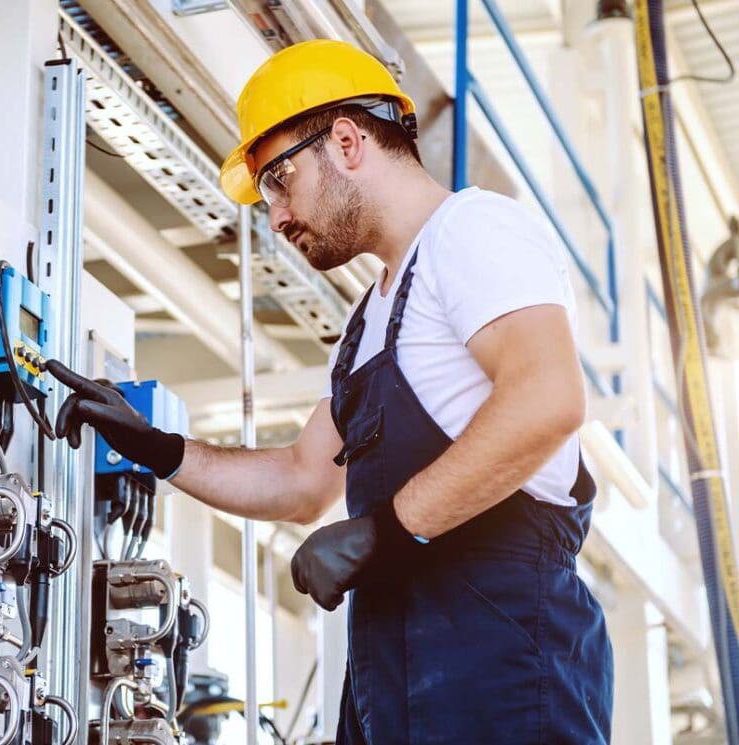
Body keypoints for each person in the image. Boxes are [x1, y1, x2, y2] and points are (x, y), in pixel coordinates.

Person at [47, 39, 613, 744]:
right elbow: (302, 479)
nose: (276, 217)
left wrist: (385, 530)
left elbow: (547, 399)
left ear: (346, 141)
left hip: (501, 672)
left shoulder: (472, 231)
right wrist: (159, 449)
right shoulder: (366, 322)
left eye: (279, 181)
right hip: (393, 683)